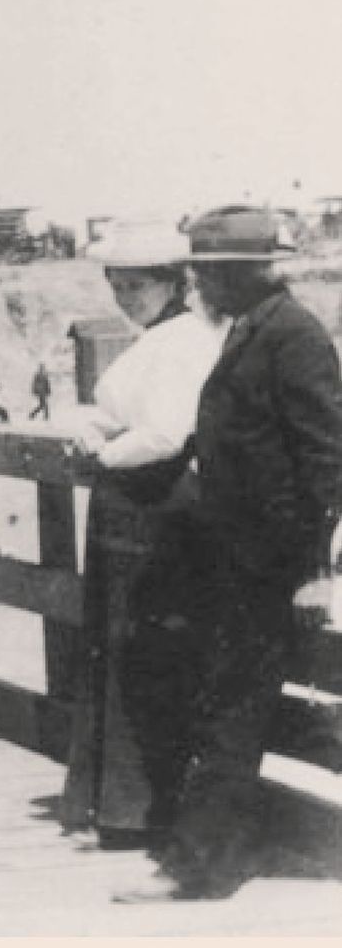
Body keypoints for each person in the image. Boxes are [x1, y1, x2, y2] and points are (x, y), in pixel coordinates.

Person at [114, 207, 342, 903]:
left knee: (231, 709)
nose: (196, 283)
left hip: (271, 566)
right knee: (229, 703)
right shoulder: (252, 328)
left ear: (238, 272)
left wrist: (315, 571)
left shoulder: (292, 336)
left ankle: (202, 865)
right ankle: (210, 853)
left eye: (206, 272)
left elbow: (327, 460)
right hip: (238, 561)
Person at [57, 224, 226, 849]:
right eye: (117, 285)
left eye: (138, 286)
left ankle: (142, 811)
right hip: (134, 508)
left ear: (175, 283)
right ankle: (121, 806)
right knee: (119, 649)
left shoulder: (182, 341)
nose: (126, 297)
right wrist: (89, 422)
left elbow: (164, 432)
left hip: (156, 508)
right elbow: (125, 408)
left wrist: (103, 453)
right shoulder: (156, 339)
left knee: (141, 655)